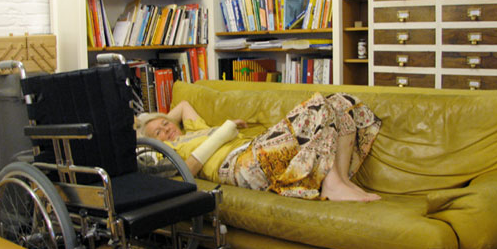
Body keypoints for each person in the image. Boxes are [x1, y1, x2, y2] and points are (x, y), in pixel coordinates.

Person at [135, 92, 381, 202]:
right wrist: (222, 133)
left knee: (342, 101)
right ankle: (332, 184)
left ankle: (341, 180)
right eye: (160, 132)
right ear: (156, 143)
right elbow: (186, 170)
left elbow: (184, 105)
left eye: (166, 123)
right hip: (238, 166)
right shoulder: (173, 151)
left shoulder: (194, 129)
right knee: (317, 105)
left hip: (255, 147)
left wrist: (155, 119)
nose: (167, 128)